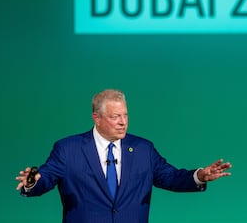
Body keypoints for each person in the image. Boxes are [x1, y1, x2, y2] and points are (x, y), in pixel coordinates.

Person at [16, 89, 232, 223]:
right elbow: (44, 177)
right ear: (96, 118)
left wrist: (200, 175)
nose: (123, 122)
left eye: (125, 115)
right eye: (115, 116)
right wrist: (32, 182)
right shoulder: (68, 149)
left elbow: (171, 177)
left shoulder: (143, 149)